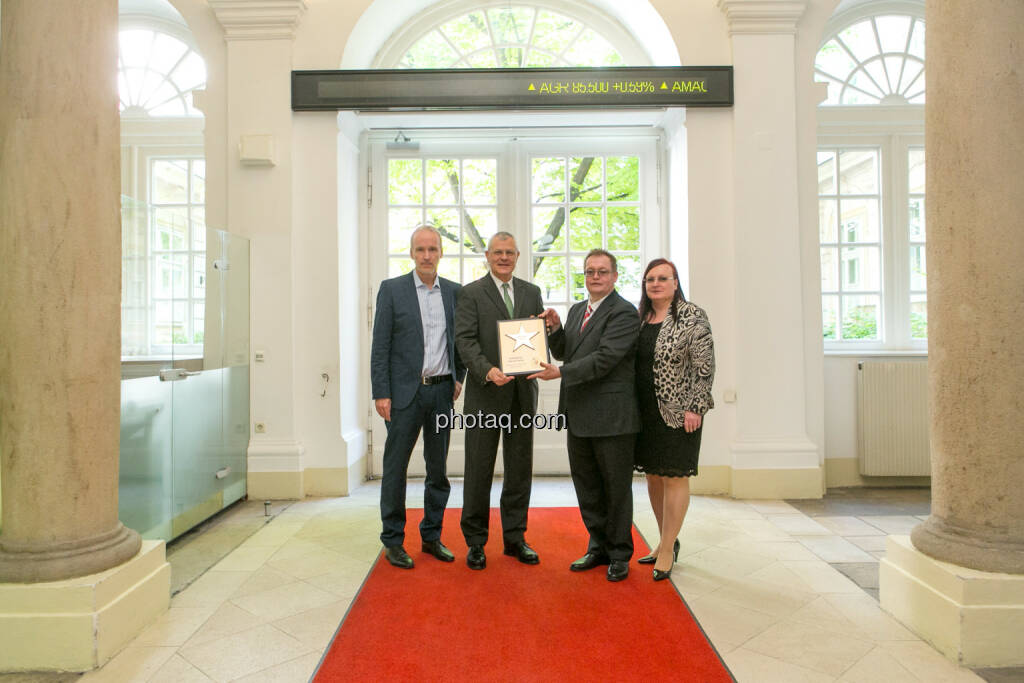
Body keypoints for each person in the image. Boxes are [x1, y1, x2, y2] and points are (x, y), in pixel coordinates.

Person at [531, 249, 640, 582]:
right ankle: (598, 546)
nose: (595, 277)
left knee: (615, 488)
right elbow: (567, 351)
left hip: (612, 417)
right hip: (579, 414)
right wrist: (554, 329)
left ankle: (620, 553)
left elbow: (605, 359)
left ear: (615, 276)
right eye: (590, 271)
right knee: (588, 486)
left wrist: (560, 373)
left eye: (602, 272)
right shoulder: (578, 310)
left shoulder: (624, 313)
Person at [370, 225, 466, 569]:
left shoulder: (454, 292)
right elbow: (380, 345)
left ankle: (431, 536)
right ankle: (393, 540)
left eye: (433, 249)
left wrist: (459, 377)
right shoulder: (392, 290)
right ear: (411, 253)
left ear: (441, 253)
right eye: (421, 249)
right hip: (402, 396)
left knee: (437, 470)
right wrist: (381, 392)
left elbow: (462, 341)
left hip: (441, 394)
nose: (427, 255)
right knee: (395, 468)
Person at [455, 232, 545, 570]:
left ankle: (515, 538)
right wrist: (487, 370)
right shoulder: (471, 294)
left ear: (518, 255)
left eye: (509, 252)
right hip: (485, 395)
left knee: (519, 471)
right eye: (497, 252)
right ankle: (476, 542)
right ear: (487, 256)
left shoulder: (531, 292)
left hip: (522, 396)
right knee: (478, 469)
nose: (503, 258)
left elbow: (535, 338)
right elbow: (464, 340)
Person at [633, 258, 715, 581]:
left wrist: (696, 406)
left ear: (675, 282)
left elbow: (704, 366)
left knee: (675, 477)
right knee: (653, 476)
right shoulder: (641, 317)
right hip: (644, 412)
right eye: (650, 279)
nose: (655, 283)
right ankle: (665, 538)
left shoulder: (692, 316)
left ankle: (667, 550)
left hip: (680, 412)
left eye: (662, 278)